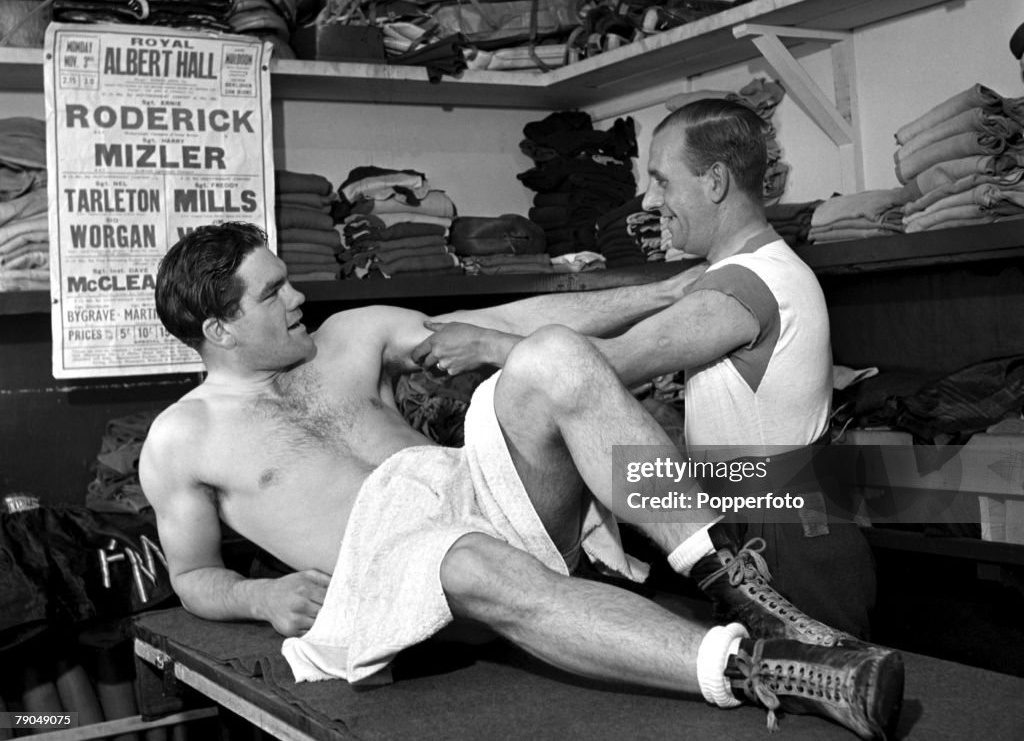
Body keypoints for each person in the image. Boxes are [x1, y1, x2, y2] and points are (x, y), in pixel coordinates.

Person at [139, 220, 902, 740]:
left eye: (286, 280)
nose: (299, 296)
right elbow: (195, 575)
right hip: (399, 574)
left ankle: (729, 578)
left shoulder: (350, 335)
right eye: (272, 293)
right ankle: (758, 670)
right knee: (462, 555)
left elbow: (508, 315)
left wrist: (662, 294)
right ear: (218, 329)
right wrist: (263, 596)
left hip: (480, 494)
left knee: (551, 353)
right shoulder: (182, 439)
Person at [416, 99, 876, 638]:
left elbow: (607, 364)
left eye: (661, 180)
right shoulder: (743, 272)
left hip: (789, 530)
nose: (651, 199)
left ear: (716, 182)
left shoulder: (747, 284)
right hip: (770, 514)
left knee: (824, 684)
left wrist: (484, 344)